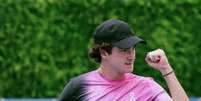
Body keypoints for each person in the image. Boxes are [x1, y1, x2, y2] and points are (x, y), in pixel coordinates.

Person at [58, 19, 189, 101]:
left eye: (133, 48)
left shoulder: (145, 86)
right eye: (124, 49)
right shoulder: (80, 86)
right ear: (104, 53)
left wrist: (165, 68)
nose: (131, 55)